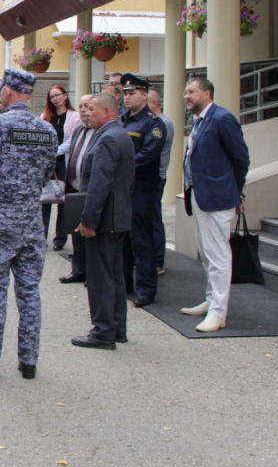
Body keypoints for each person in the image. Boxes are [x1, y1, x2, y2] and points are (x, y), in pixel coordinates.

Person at [0, 69, 57, 380]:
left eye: (1, 88)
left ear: (10, 91)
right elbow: (47, 175)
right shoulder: (47, 130)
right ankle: (29, 361)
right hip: (31, 224)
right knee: (30, 291)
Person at [181, 77, 250, 333]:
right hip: (199, 196)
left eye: (191, 91)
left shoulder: (222, 119)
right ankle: (211, 300)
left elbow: (241, 158)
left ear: (207, 94)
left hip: (217, 198)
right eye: (185, 92)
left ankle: (218, 312)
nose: (186, 96)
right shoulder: (200, 121)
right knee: (207, 252)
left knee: (219, 255)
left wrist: (236, 191)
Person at [71, 92, 135, 350]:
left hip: (104, 219)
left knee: (100, 276)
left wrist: (88, 221)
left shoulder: (108, 138)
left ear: (107, 112)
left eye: (92, 109)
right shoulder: (119, 134)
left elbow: (99, 185)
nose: (87, 113)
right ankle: (117, 327)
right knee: (114, 274)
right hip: (116, 217)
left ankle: (103, 331)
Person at [119, 73, 165, 308]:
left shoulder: (153, 123)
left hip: (142, 187)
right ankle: (125, 283)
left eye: (132, 93)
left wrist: (120, 165)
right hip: (124, 187)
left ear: (145, 96)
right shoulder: (124, 120)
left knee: (141, 239)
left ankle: (146, 289)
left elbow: (148, 155)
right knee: (124, 238)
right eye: (125, 93)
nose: (127, 97)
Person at [58, 95, 95, 285]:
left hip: (90, 190)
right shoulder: (79, 129)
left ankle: (92, 273)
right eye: (80, 106)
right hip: (74, 186)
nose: (82, 110)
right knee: (76, 233)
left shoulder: (100, 132)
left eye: (87, 106)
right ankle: (78, 270)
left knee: (90, 235)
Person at [40, 85, 78, 250]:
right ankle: (40, 237)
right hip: (47, 163)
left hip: (63, 162)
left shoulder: (74, 116)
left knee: (63, 201)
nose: (54, 99)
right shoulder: (45, 116)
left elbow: (72, 140)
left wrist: (55, 151)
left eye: (57, 95)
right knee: (45, 200)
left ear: (65, 96)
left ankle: (59, 239)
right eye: (51, 96)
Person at [147, 89, 174, 274]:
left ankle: (158, 261)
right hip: (152, 176)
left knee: (154, 217)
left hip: (157, 176)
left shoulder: (163, 123)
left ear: (154, 103)